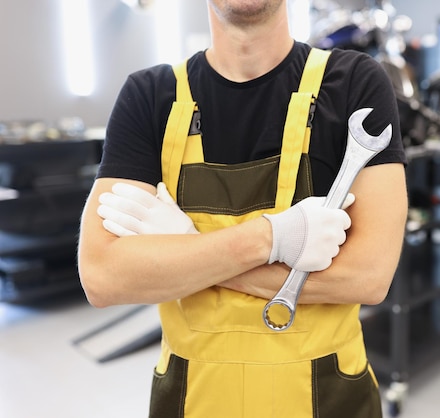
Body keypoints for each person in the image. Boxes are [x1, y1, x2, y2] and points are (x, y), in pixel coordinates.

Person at [77, 0, 407, 416]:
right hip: (191, 400)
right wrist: (271, 238)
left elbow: (369, 277)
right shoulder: (149, 96)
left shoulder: (354, 82)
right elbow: (104, 277)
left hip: (329, 399)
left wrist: (188, 247)